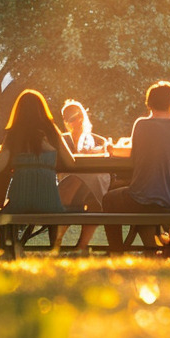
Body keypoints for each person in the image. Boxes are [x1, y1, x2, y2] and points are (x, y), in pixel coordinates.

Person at [102, 81, 170, 256]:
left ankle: (116, 251)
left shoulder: (142, 124)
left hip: (142, 199)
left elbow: (133, 154)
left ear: (149, 103)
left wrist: (112, 149)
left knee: (109, 199)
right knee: (137, 194)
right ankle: (159, 248)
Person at [0, 91, 76, 248]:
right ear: (42, 110)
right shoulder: (52, 131)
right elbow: (71, 163)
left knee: (0, 213)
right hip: (50, 204)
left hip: (20, 203)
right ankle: (54, 248)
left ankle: (9, 248)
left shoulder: (14, 134)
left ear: (18, 111)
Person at [58, 99, 111, 251]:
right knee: (74, 183)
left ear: (83, 116)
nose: (75, 120)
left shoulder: (94, 139)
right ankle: (60, 239)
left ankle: (79, 246)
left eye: (77, 115)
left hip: (88, 179)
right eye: (69, 117)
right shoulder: (62, 139)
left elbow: (102, 154)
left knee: (89, 187)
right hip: (69, 180)